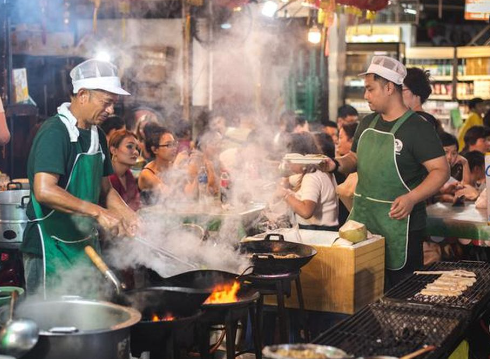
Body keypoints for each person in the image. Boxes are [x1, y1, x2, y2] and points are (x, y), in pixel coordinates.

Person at [324, 56, 449, 289]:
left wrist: (412, 198)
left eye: (370, 89)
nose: (366, 95)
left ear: (390, 87)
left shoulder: (418, 128)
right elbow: (354, 159)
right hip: (364, 223)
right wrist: (334, 164)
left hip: (400, 225)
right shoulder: (367, 123)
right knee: (364, 292)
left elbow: (441, 170)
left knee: (401, 293)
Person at [21, 59, 139, 297]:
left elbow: (106, 190)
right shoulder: (55, 132)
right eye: (106, 103)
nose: (111, 111)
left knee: (88, 326)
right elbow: (44, 190)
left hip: (85, 247)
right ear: (83, 94)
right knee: (53, 326)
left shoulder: (96, 135)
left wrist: (128, 214)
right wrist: (97, 212)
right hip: (50, 247)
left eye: (113, 104)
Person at [276, 133, 339, 231]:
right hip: (326, 231)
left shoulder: (311, 177)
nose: (288, 165)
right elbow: (292, 179)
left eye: (289, 160)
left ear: (301, 156)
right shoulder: (321, 170)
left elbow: (306, 211)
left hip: (317, 233)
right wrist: (286, 181)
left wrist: (284, 194)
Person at [138, 125, 178, 204]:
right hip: (149, 214)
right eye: (168, 145)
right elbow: (169, 195)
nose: (174, 148)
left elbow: (188, 196)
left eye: (174, 144)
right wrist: (177, 167)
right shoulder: (147, 173)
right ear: (155, 149)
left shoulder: (172, 166)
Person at [108, 129, 141, 211]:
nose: (136, 152)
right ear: (114, 150)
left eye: (137, 148)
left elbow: (135, 204)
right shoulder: (107, 176)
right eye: (129, 146)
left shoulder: (128, 174)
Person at [402, 67, 441, 131]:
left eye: (403, 90)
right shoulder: (427, 119)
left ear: (416, 92)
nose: (399, 94)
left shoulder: (419, 121)